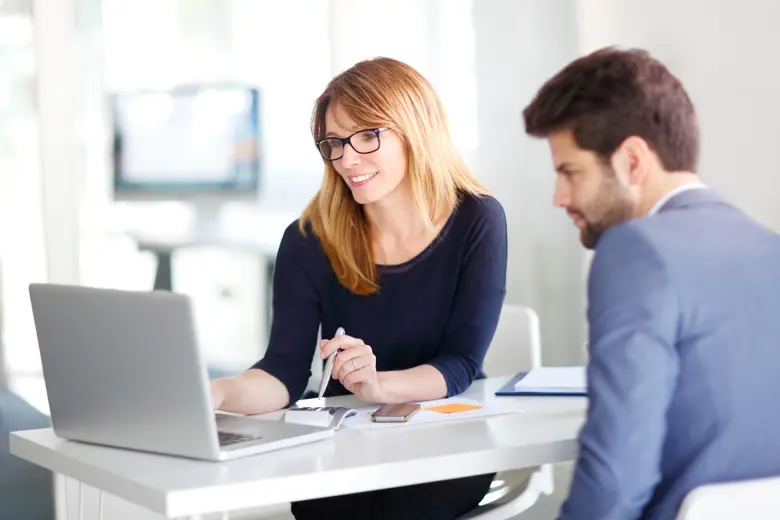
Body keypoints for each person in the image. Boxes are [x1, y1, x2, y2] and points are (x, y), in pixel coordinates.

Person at [210, 57, 507, 519]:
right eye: (334, 143)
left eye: (367, 136)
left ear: (415, 130)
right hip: (347, 442)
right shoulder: (309, 239)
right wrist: (220, 392)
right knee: (323, 508)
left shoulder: (477, 219)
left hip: (446, 438)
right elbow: (284, 370)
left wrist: (377, 385)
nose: (347, 159)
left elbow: (461, 363)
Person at [522, 47, 780, 520]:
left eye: (569, 172)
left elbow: (617, 479)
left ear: (632, 160)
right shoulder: (769, 246)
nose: (559, 197)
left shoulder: (636, 249)